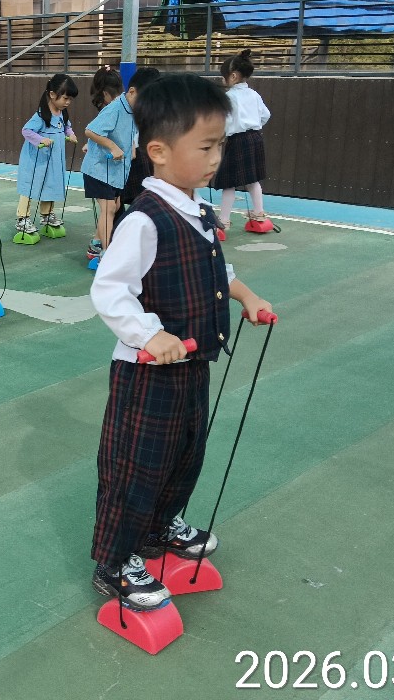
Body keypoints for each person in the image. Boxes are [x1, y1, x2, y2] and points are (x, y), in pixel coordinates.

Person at [89, 73, 273, 610]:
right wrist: (151, 334)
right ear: (160, 152)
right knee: (136, 466)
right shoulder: (144, 221)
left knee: (186, 453)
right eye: (206, 147)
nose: (218, 158)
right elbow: (109, 289)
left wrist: (246, 296)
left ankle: (160, 526)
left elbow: (214, 269)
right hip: (147, 375)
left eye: (220, 145)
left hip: (193, 365)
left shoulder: (197, 211)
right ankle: (116, 562)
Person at [211, 49, 272, 237]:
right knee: (253, 179)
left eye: (224, 76)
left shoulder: (229, 97)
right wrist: (253, 125)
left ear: (233, 76)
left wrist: (219, 137)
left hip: (237, 140)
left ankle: (223, 222)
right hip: (256, 138)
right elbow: (266, 115)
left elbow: (226, 121)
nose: (223, 80)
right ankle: (259, 216)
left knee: (229, 182)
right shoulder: (254, 94)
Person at [14, 73, 78, 239]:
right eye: (65, 98)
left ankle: (47, 215)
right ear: (52, 94)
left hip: (54, 160)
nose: (68, 102)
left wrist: (70, 134)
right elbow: (26, 131)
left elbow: (67, 127)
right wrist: (41, 139)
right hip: (37, 160)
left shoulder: (62, 114)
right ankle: (22, 218)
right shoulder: (41, 115)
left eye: (70, 99)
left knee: (51, 184)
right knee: (30, 186)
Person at [82, 72, 138, 261]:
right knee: (109, 209)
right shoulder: (114, 108)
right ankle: (107, 255)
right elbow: (91, 131)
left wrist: (130, 148)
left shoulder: (129, 109)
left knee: (114, 207)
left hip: (114, 170)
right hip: (99, 170)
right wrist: (112, 147)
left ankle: (96, 245)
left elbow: (121, 134)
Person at [116, 67, 163, 211]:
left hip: (141, 154)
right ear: (132, 91)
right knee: (119, 203)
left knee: (143, 198)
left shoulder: (148, 108)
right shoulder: (119, 107)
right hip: (126, 157)